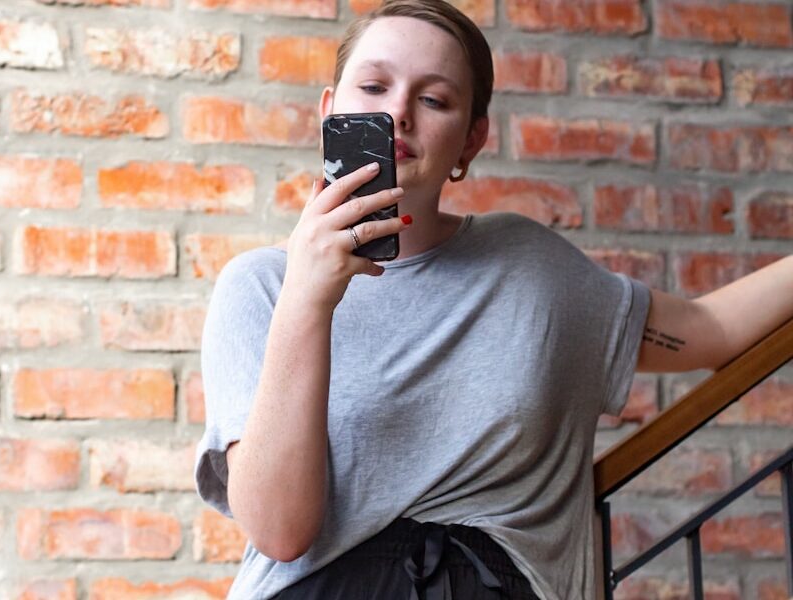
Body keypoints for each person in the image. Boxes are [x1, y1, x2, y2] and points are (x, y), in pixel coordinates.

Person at [194, 1, 793, 598]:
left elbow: (710, 329)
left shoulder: (531, 269)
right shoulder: (260, 287)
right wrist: (307, 294)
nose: (398, 112)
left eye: (434, 100)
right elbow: (278, 531)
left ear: (471, 140)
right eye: (374, 86)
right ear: (329, 112)